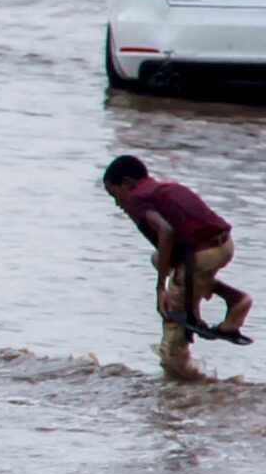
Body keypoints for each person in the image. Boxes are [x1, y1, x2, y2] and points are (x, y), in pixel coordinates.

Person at [104, 155, 251, 378]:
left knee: (172, 335)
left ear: (127, 183)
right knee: (159, 260)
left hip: (201, 255)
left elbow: (166, 231)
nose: (117, 203)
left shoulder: (135, 198)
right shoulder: (162, 188)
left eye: (114, 194)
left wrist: (160, 288)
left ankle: (189, 385)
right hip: (224, 245)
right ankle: (236, 299)